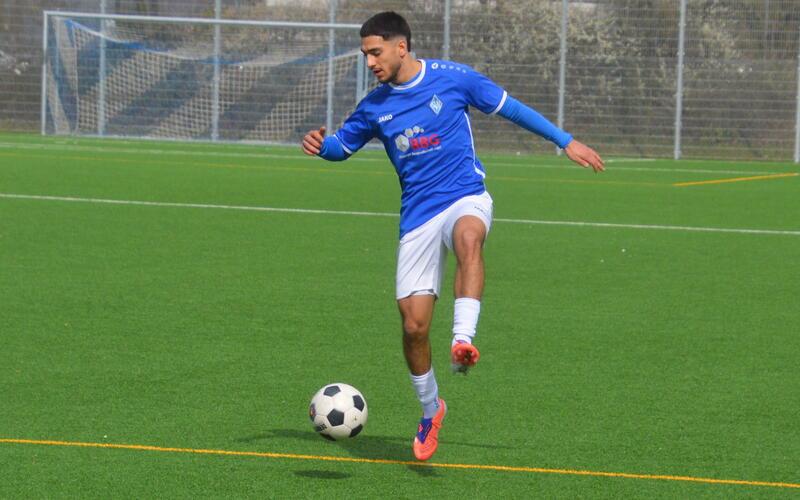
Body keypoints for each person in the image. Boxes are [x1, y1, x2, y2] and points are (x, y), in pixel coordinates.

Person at [301, 11, 604, 461]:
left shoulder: (455, 79)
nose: (370, 62)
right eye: (365, 54)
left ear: (401, 46)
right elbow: (342, 147)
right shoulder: (375, 106)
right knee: (413, 326)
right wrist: (319, 146)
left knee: (469, 239)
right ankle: (431, 409)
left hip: (466, 196)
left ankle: (463, 339)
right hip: (418, 218)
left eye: (375, 52)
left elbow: (512, 108)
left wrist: (566, 140)